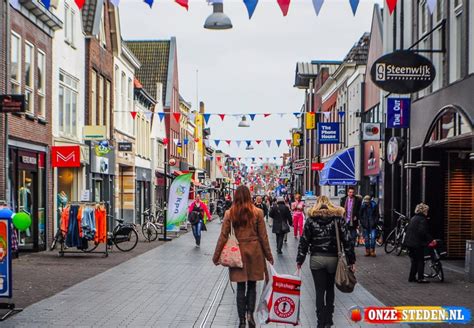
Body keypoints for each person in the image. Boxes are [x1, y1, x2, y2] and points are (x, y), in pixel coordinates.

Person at [213, 186, 274, 328]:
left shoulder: (230, 213)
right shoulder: (258, 212)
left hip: (237, 253)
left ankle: (241, 320)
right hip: (255, 252)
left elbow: (223, 236)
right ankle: (249, 314)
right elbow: (263, 237)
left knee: (241, 287)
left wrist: (216, 257)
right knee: (252, 285)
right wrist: (269, 256)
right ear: (249, 196)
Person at [297, 196, 356, 328]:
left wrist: (299, 260)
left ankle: (320, 321)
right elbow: (347, 241)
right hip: (333, 258)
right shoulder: (338, 219)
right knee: (330, 289)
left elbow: (304, 241)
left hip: (316, 259)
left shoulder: (311, 220)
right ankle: (328, 320)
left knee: (319, 291)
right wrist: (351, 260)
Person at [404, 203, 436, 283]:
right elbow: (423, 232)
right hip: (417, 243)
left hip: (409, 243)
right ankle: (420, 278)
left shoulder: (413, 218)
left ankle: (411, 277)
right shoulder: (422, 219)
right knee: (420, 260)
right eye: (427, 210)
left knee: (414, 261)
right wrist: (431, 240)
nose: (427, 212)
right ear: (424, 211)